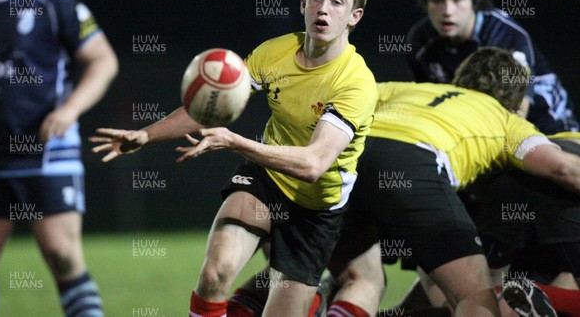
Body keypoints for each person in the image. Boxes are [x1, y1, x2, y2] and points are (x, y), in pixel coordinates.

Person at [90, 0, 377, 317]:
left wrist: (235, 141)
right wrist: (144, 135)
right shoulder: (275, 52)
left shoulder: (356, 82)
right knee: (215, 272)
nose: (323, 8)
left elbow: (313, 164)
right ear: (302, 4)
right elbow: (208, 105)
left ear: (355, 16)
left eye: (337, 1)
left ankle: (315, 295)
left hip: (316, 209)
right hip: (266, 178)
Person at [229, 47, 580, 317]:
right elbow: (563, 168)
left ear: (459, 78)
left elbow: (333, 106)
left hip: (340, 166)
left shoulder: (408, 89)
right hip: (411, 167)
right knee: (474, 296)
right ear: (517, 101)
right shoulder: (507, 120)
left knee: (344, 276)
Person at [0, 0, 118, 316]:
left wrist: (70, 109)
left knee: (61, 255)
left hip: (47, 152)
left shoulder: (52, 3)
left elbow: (103, 61)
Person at [407, 0, 578, 135]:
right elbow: (429, 104)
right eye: (437, 0)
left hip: (550, 128)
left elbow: (518, 111)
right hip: (482, 130)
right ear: (426, 2)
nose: (447, 11)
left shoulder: (505, 35)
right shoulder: (420, 42)